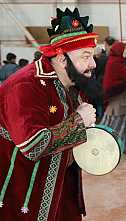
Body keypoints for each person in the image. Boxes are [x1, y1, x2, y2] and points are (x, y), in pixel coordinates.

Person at [0, 7, 99, 220]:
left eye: (92, 56)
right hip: (23, 191)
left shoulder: (75, 83)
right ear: (62, 59)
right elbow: (32, 145)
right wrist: (79, 121)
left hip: (62, 189)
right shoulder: (25, 86)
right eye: (86, 56)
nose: (93, 64)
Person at [101, 42, 126, 154]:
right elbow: (116, 83)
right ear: (119, 51)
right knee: (116, 125)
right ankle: (106, 146)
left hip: (119, 98)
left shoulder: (117, 62)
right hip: (117, 100)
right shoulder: (115, 63)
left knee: (123, 124)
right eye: (125, 50)